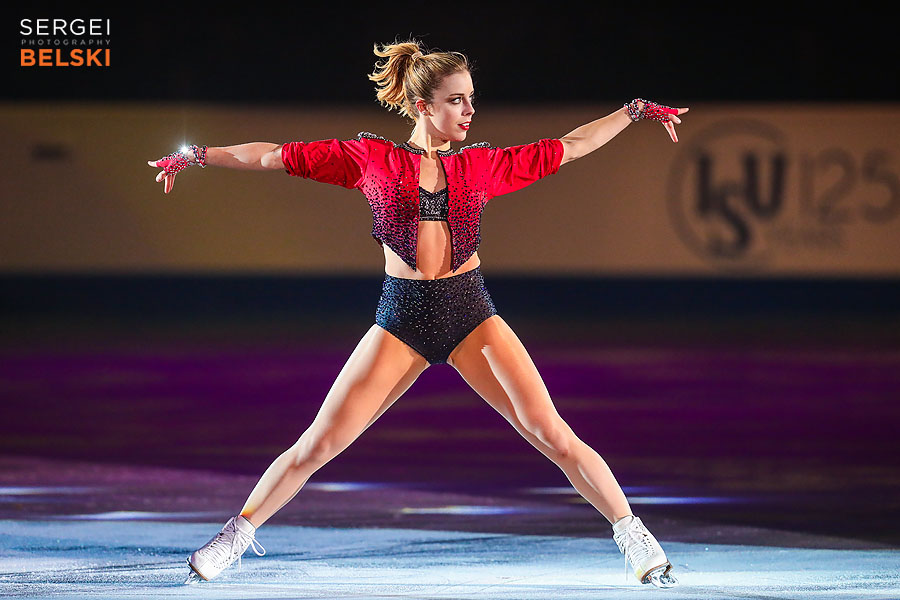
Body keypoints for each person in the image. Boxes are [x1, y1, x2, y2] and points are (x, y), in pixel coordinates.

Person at [148, 39, 687, 589]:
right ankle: (232, 538)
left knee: (551, 432)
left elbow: (570, 146)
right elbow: (270, 155)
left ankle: (635, 537)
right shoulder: (369, 158)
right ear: (424, 106)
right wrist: (195, 155)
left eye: (472, 99)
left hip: (470, 312)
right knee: (320, 443)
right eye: (457, 101)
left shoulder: (484, 165)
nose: (470, 111)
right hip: (401, 316)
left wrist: (633, 111)